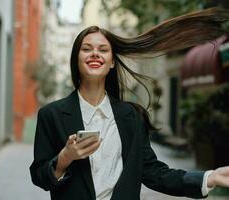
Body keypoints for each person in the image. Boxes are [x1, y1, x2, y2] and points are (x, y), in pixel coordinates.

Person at [30, 7, 229, 200]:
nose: (95, 53)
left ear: (112, 62)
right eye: (86, 49)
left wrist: (208, 178)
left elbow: (153, 172)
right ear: (76, 59)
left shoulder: (132, 117)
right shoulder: (51, 115)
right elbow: (39, 176)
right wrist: (65, 157)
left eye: (103, 49)